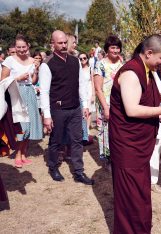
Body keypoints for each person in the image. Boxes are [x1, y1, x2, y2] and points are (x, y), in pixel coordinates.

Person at [109, 34, 161, 233]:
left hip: (140, 146)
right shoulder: (132, 73)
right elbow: (131, 109)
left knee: (140, 196)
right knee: (130, 198)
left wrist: (159, 116)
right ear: (149, 53)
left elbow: (144, 106)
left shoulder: (148, 71)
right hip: (127, 146)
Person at [39, 30, 94, 185]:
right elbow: (44, 92)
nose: (63, 45)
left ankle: (79, 172)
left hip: (75, 107)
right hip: (58, 109)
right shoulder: (47, 64)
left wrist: (84, 105)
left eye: (65, 42)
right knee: (56, 141)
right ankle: (53, 167)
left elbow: (81, 84)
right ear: (53, 44)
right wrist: (47, 115)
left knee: (77, 141)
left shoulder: (75, 61)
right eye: (60, 43)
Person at [1, 34, 42, 168]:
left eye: (23, 47)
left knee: (29, 126)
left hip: (29, 93)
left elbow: (34, 81)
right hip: (16, 94)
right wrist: (17, 78)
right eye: (18, 47)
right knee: (21, 127)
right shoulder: (9, 60)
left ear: (28, 46)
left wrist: (36, 70)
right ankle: (17, 154)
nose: (21, 49)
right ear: (15, 47)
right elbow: (2, 81)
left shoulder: (32, 60)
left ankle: (23, 154)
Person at [94, 35, 123, 163]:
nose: (115, 51)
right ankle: (108, 158)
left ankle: (118, 155)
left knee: (119, 130)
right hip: (105, 102)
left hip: (120, 102)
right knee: (106, 131)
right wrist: (105, 107)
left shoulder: (123, 64)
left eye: (117, 48)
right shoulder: (100, 65)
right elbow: (98, 89)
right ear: (107, 49)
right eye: (112, 47)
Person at [78, 52, 95, 142]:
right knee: (83, 112)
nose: (83, 60)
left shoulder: (90, 69)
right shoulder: (78, 69)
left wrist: (93, 95)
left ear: (87, 59)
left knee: (89, 112)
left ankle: (87, 130)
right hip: (82, 92)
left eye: (84, 58)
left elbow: (92, 82)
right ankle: (83, 130)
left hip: (89, 91)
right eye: (80, 59)